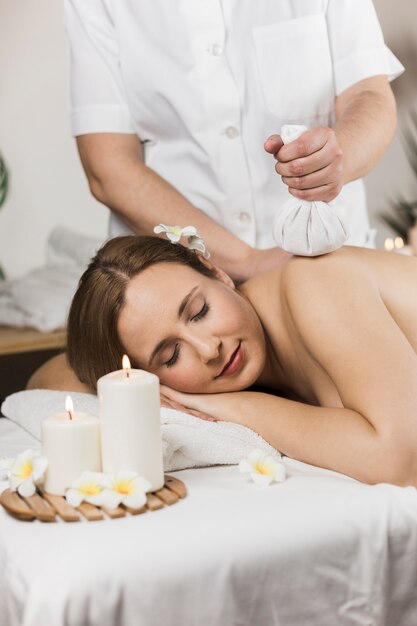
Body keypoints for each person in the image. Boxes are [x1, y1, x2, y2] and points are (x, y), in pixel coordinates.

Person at [32, 231, 417, 487]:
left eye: (199, 311)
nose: (208, 348)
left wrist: (234, 406)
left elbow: (403, 459)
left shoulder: (314, 283)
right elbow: (46, 377)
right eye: (171, 355)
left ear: (218, 273)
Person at [64, 0, 403, 282]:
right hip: (183, 286)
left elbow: (370, 95)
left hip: (329, 267)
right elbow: (108, 168)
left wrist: (338, 154)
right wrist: (247, 262)